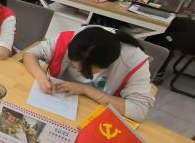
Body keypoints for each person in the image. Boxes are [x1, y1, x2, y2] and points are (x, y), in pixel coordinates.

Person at [23, 26, 154, 121]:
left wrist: (85, 90)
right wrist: (41, 77)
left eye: (84, 71)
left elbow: (139, 111)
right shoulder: (74, 40)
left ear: (107, 65)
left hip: (95, 112)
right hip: (58, 103)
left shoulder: (132, 62)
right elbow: (29, 54)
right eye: (73, 65)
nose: (77, 71)